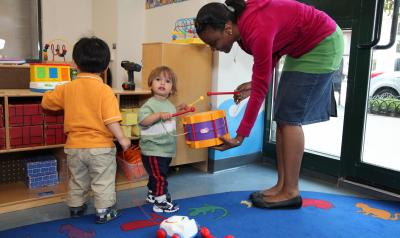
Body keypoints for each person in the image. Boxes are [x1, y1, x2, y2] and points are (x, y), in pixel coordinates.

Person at [195, 0, 344, 209]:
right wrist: (255, 83)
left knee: (290, 118)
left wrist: (239, 137)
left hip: (322, 43)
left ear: (227, 28)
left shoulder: (256, 28)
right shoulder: (243, 33)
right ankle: (282, 186)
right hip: (300, 48)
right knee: (282, 116)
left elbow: (261, 90)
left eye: (213, 42)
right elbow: (272, 53)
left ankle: (291, 192)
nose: (213, 49)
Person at [41, 37, 131, 223]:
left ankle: (75, 207)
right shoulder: (105, 90)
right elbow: (111, 120)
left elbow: (46, 102)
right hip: (100, 148)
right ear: (106, 67)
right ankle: (104, 211)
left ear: (75, 63)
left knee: (77, 180)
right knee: (103, 181)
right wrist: (122, 138)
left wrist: (54, 90)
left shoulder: (67, 88)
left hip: (74, 147)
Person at [138, 66, 188, 213]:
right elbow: (143, 121)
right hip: (153, 149)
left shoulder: (168, 104)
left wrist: (179, 109)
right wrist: (158, 115)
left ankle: (153, 195)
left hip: (165, 148)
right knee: (160, 176)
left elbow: (170, 115)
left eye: (167, 81)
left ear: (172, 88)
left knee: (156, 175)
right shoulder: (150, 104)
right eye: (158, 79)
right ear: (151, 84)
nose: (162, 83)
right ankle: (160, 202)